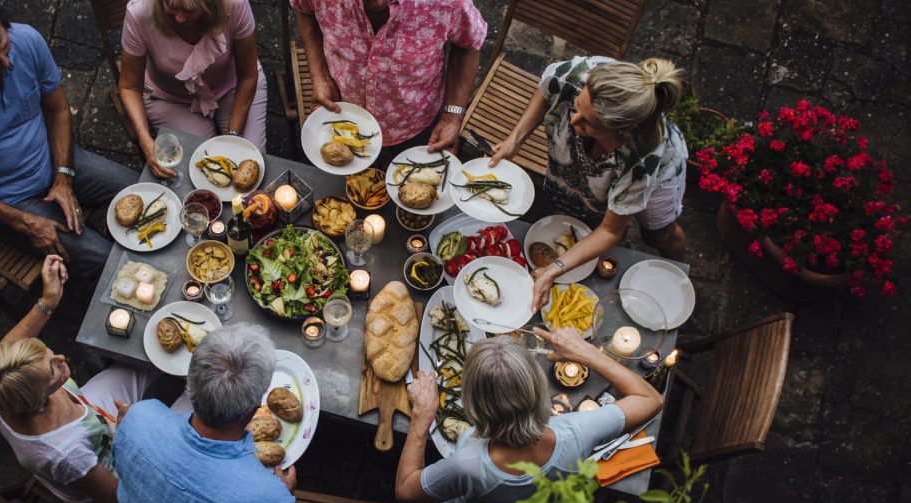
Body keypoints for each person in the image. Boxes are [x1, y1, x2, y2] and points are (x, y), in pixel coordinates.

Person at [395, 331, 663, 503]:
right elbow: (650, 399)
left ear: (472, 404)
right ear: (537, 387)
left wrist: (422, 417)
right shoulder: (578, 430)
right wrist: (587, 353)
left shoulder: (469, 464)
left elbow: (406, 491)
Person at [0, 0, 137, 278]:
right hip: (11, 200)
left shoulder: (27, 40)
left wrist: (62, 177)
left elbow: (58, 110)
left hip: (55, 158)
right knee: (108, 262)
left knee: (147, 191)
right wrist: (25, 223)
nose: (6, 63)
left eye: (6, 49)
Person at [0, 255, 190, 503]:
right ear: (37, 396)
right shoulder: (68, 453)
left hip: (92, 410)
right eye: (52, 369)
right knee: (200, 399)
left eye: (47, 353)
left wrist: (48, 300)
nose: (62, 359)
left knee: (141, 358)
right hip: (118, 464)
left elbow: (8, 348)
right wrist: (128, 435)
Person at [488, 56, 689, 313]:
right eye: (578, 106)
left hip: (660, 172)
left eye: (588, 123)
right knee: (568, 196)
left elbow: (609, 230)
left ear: (622, 132)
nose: (573, 121)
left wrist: (555, 268)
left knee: (657, 234)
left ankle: (679, 277)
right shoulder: (577, 74)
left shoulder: (643, 157)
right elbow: (547, 90)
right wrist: (514, 140)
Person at [109, 324, 314, 503]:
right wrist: (284, 494)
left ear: (190, 387)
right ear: (253, 410)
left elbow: (123, 466)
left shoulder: (138, 417)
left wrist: (132, 423)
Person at [291, 0, 486, 155]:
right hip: (342, 114)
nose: (376, 2)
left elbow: (469, 43)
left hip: (416, 125)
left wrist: (452, 116)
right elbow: (304, 9)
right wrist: (319, 76)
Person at [119, 0, 267, 178]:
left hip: (233, 87)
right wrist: (145, 141)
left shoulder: (234, 4)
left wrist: (233, 137)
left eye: (189, 10)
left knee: (251, 163)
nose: (180, 18)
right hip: (172, 99)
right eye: (172, 7)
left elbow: (248, 76)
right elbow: (129, 87)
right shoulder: (140, 13)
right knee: (198, 173)